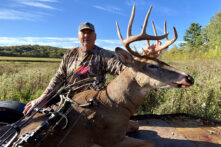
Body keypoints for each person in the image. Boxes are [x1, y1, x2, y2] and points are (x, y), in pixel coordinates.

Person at [23, 22, 162, 132]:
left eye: (90, 33)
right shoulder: (69, 55)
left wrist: (144, 60)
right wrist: (42, 98)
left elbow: (124, 68)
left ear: (95, 36)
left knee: (130, 128)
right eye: (83, 33)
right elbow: (58, 78)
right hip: (69, 102)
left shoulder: (103, 55)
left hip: (95, 105)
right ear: (78, 36)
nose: (86, 36)